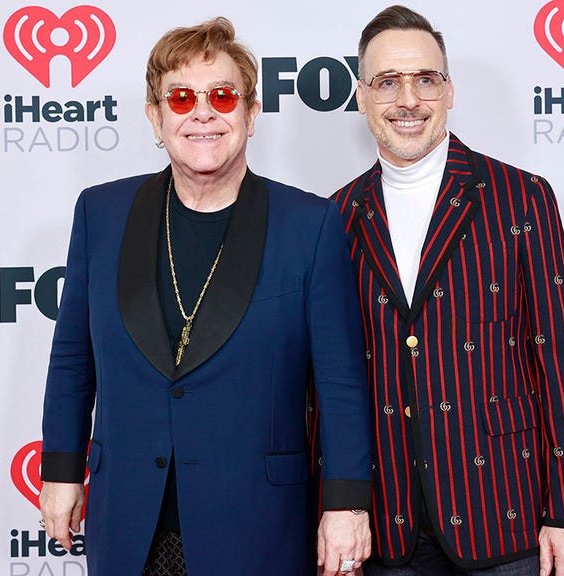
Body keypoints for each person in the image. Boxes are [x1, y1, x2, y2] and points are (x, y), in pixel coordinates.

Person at [38, 17, 372, 576]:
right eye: (180, 97)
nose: (202, 112)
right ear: (155, 115)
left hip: (257, 522)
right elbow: (73, 357)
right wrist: (62, 470)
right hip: (129, 520)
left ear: (250, 111)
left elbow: (339, 382)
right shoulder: (102, 214)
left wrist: (346, 504)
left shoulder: (309, 225)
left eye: (221, 95)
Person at [329, 6, 564, 575]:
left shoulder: (522, 197)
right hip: (386, 525)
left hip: (507, 513)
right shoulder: (337, 216)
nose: (408, 99)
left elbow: (562, 362)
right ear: (361, 97)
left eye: (425, 79)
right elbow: (327, 381)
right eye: (387, 82)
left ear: (449, 91)